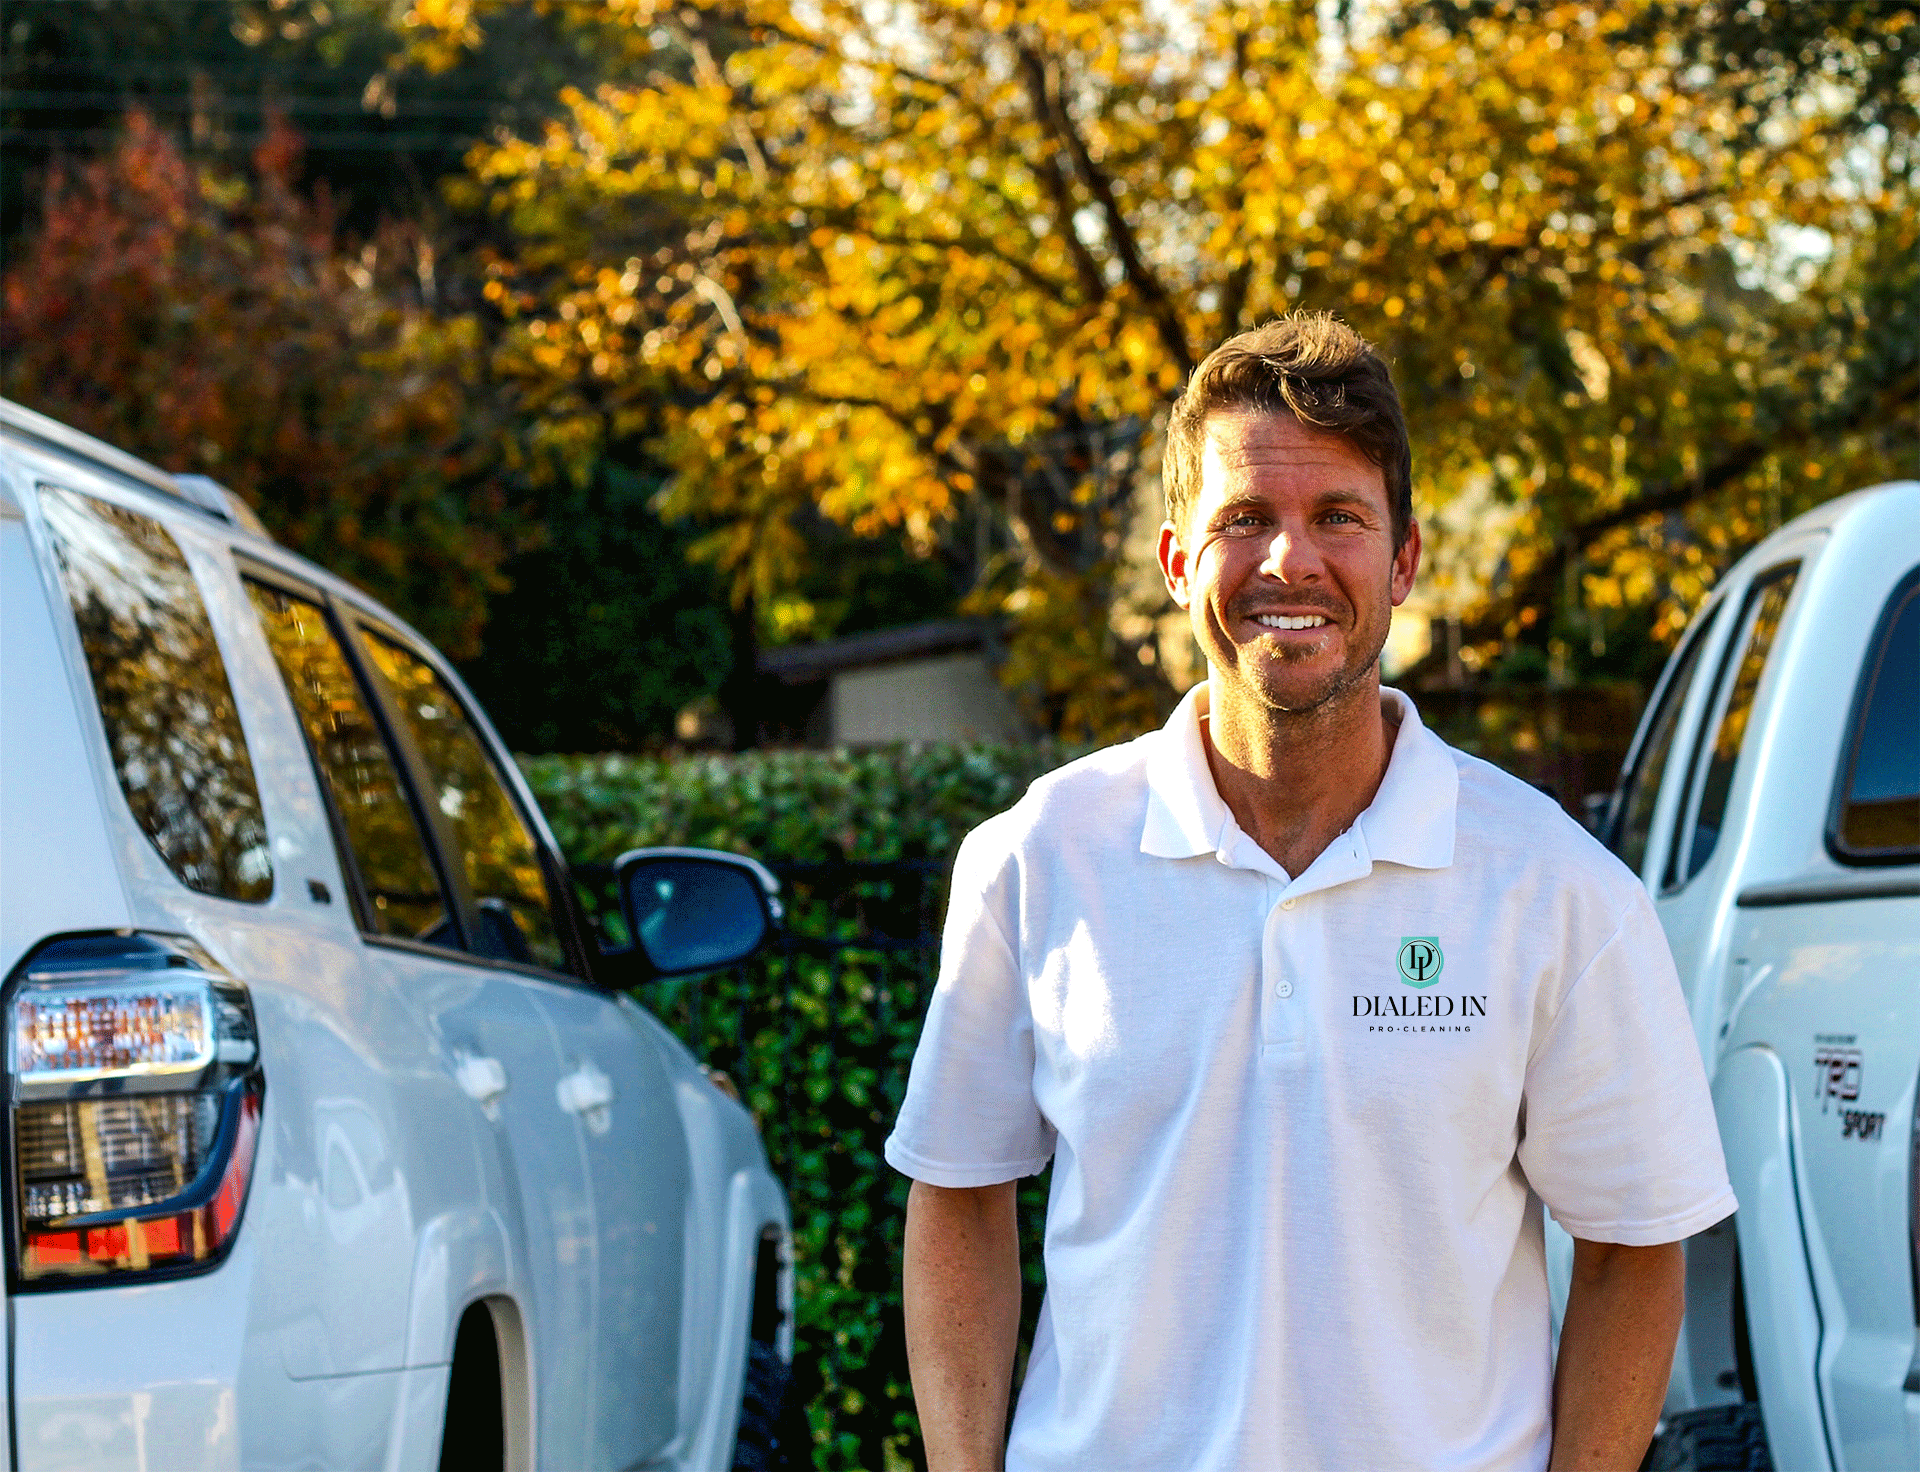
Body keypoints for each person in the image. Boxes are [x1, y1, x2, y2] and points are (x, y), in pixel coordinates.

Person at [884, 313, 1735, 1472]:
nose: (1292, 560)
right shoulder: (1038, 857)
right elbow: (960, 1191)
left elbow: (1637, 1244)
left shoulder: (1559, 889)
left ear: (1404, 560)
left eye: (1338, 515)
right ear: (1180, 559)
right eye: (1246, 519)